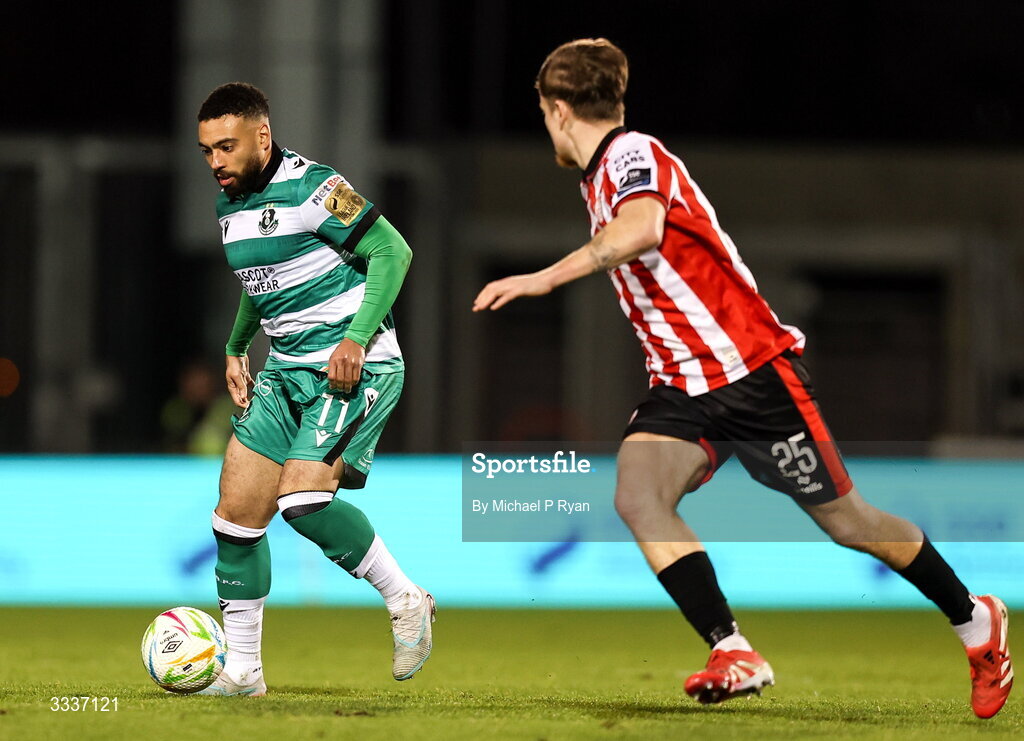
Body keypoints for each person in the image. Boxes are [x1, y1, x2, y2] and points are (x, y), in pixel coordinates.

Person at [473, 39, 1012, 718]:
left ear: (555, 111)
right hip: (682, 385)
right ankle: (731, 647)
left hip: (753, 372)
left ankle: (974, 619)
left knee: (849, 521)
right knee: (639, 494)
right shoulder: (600, 174)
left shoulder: (631, 155)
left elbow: (641, 228)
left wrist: (542, 277)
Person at [195, 82, 434, 696]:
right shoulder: (230, 205)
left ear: (262, 137)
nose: (216, 162)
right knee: (236, 519)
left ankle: (407, 600)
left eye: (226, 146)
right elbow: (262, 281)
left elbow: (393, 250)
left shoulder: (314, 187)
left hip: (352, 366)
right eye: (206, 151)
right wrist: (234, 346)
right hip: (283, 370)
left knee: (301, 501)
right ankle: (244, 671)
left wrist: (355, 338)